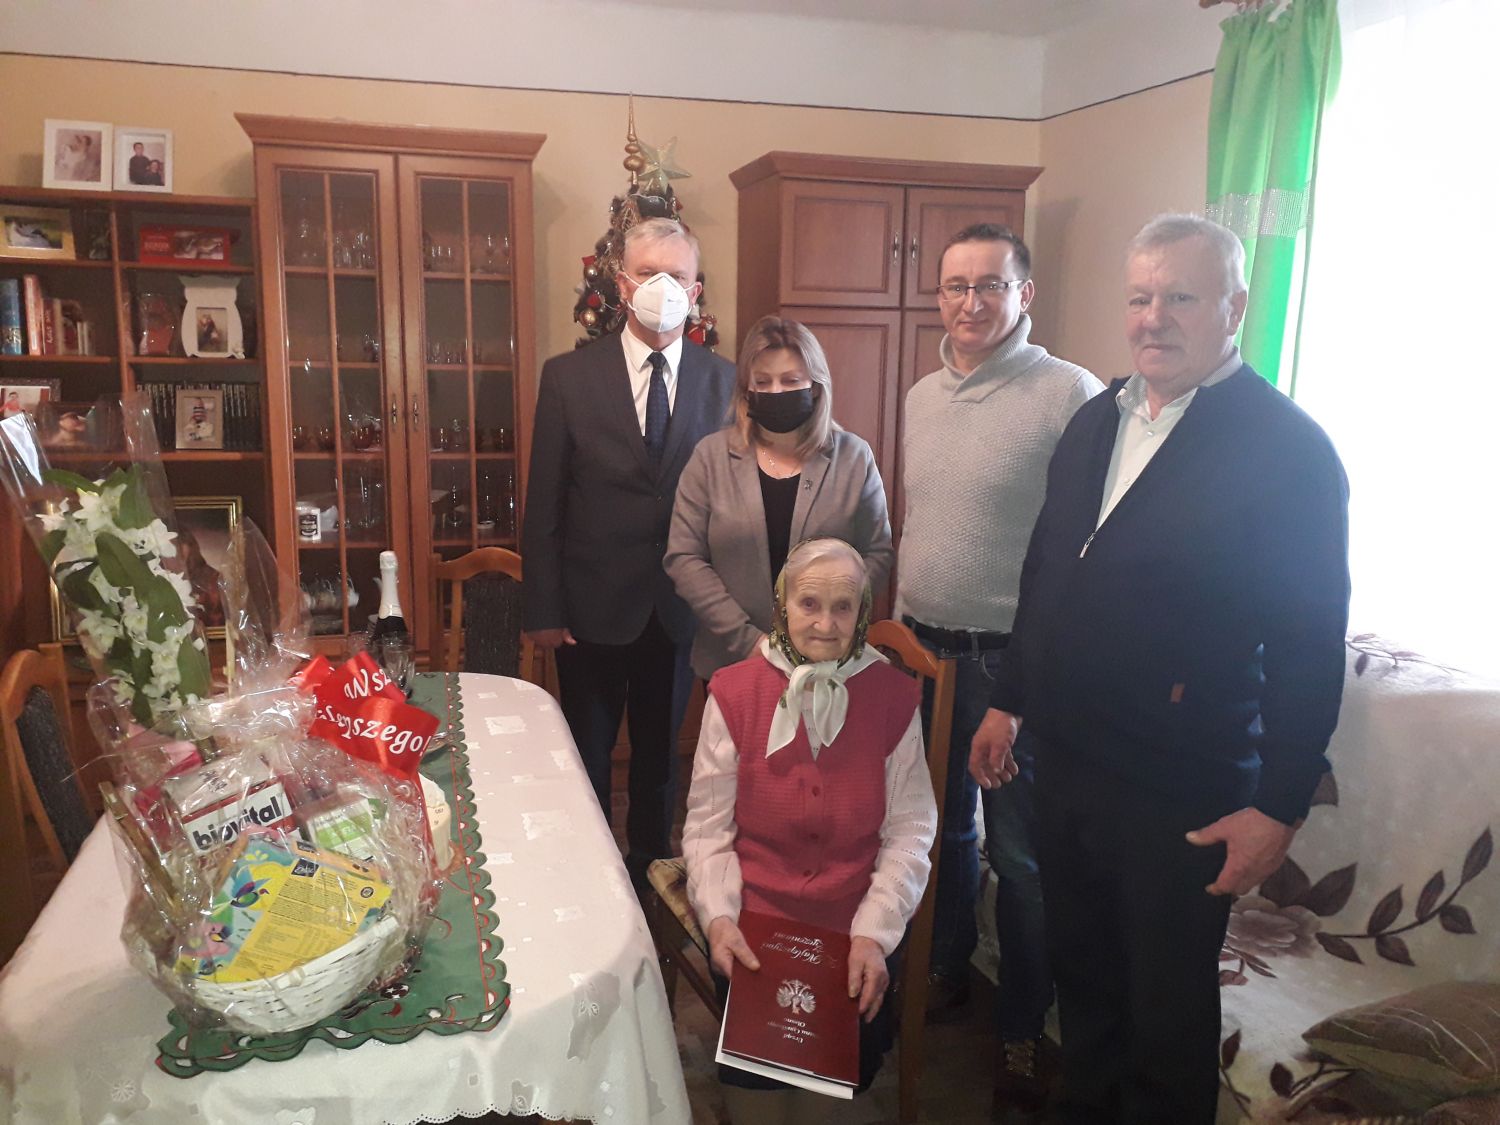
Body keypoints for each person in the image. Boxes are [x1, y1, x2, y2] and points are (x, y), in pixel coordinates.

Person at [970, 214, 1350, 1125]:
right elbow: (1047, 572)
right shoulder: (1095, 420)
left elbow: (1309, 640)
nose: (1154, 317)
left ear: (1234, 308)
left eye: (1180, 297)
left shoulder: (1288, 450)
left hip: (1179, 791)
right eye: (1140, 297)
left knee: (1164, 1015)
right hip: (1068, 766)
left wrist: (1280, 804)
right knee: (1085, 986)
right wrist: (1009, 701)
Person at [896, 222, 1101, 1113]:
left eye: (990, 285)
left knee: (1019, 855)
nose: (970, 302)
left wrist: (1014, 695)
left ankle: (1021, 1026)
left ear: (1025, 294)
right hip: (922, 655)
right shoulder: (921, 394)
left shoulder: (1069, 396)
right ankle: (944, 970)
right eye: (955, 285)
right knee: (939, 829)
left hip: (1010, 668)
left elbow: (1078, 552)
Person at [683, 537, 937, 1124]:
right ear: (782, 606)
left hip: (853, 931)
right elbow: (706, 827)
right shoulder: (735, 692)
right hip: (754, 928)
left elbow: (911, 829)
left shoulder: (893, 697)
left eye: (843, 607)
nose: (825, 624)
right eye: (808, 604)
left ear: (863, 611)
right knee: (756, 1105)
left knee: (829, 1105)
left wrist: (874, 933)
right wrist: (719, 917)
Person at [523, 216, 735, 892]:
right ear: (621, 284)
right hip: (588, 611)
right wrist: (544, 610)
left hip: (678, 611)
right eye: (648, 273)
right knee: (585, 761)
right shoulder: (568, 377)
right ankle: (588, 887)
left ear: (694, 291)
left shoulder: (723, 381)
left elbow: (731, 502)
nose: (661, 286)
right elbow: (545, 501)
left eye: (676, 275)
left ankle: (649, 886)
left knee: (659, 766)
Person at [665, 315, 893, 682]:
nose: (776, 391)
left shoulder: (854, 457)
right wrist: (748, 639)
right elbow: (684, 557)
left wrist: (829, 621)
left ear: (815, 386)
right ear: (746, 389)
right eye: (763, 381)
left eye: (790, 381)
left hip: (829, 661)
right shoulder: (710, 457)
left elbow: (877, 551)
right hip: (732, 659)